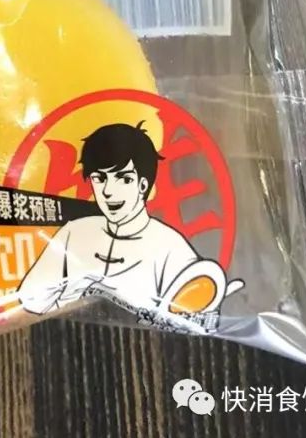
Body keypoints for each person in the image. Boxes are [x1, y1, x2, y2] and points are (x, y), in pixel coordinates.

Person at [16, 122, 240, 316]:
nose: (108, 191)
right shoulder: (74, 232)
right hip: (65, 335)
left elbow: (186, 309)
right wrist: (75, 293)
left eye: (123, 179)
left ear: (143, 185)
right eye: (99, 179)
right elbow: (30, 299)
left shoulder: (170, 247)